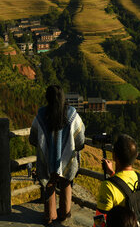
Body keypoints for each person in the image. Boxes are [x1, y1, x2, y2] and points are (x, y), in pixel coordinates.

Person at [29, 85, 85, 225]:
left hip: (48, 158)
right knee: (66, 182)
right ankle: (64, 214)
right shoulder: (72, 113)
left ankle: (49, 216)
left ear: (47, 98)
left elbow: (34, 137)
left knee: (49, 183)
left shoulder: (42, 114)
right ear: (63, 97)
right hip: (66, 158)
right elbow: (80, 137)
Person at [95, 134, 140, 227]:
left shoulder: (108, 186)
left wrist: (113, 177)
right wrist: (113, 174)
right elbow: (125, 189)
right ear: (136, 156)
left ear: (114, 156)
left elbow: (100, 221)